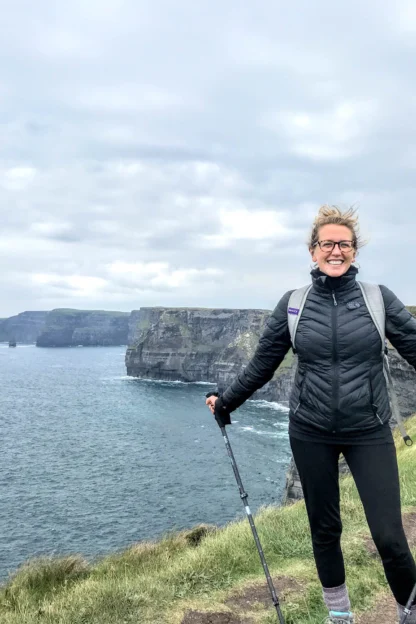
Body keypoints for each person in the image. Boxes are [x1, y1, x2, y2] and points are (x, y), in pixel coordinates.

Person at [206, 206, 416, 624]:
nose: (335, 251)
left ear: (355, 251)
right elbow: (262, 364)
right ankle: (339, 617)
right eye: (327, 244)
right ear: (313, 250)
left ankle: (409, 613)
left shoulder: (378, 299)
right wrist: (226, 401)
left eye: (344, 244)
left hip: (369, 431)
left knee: (390, 536)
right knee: (324, 531)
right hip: (311, 431)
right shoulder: (294, 305)